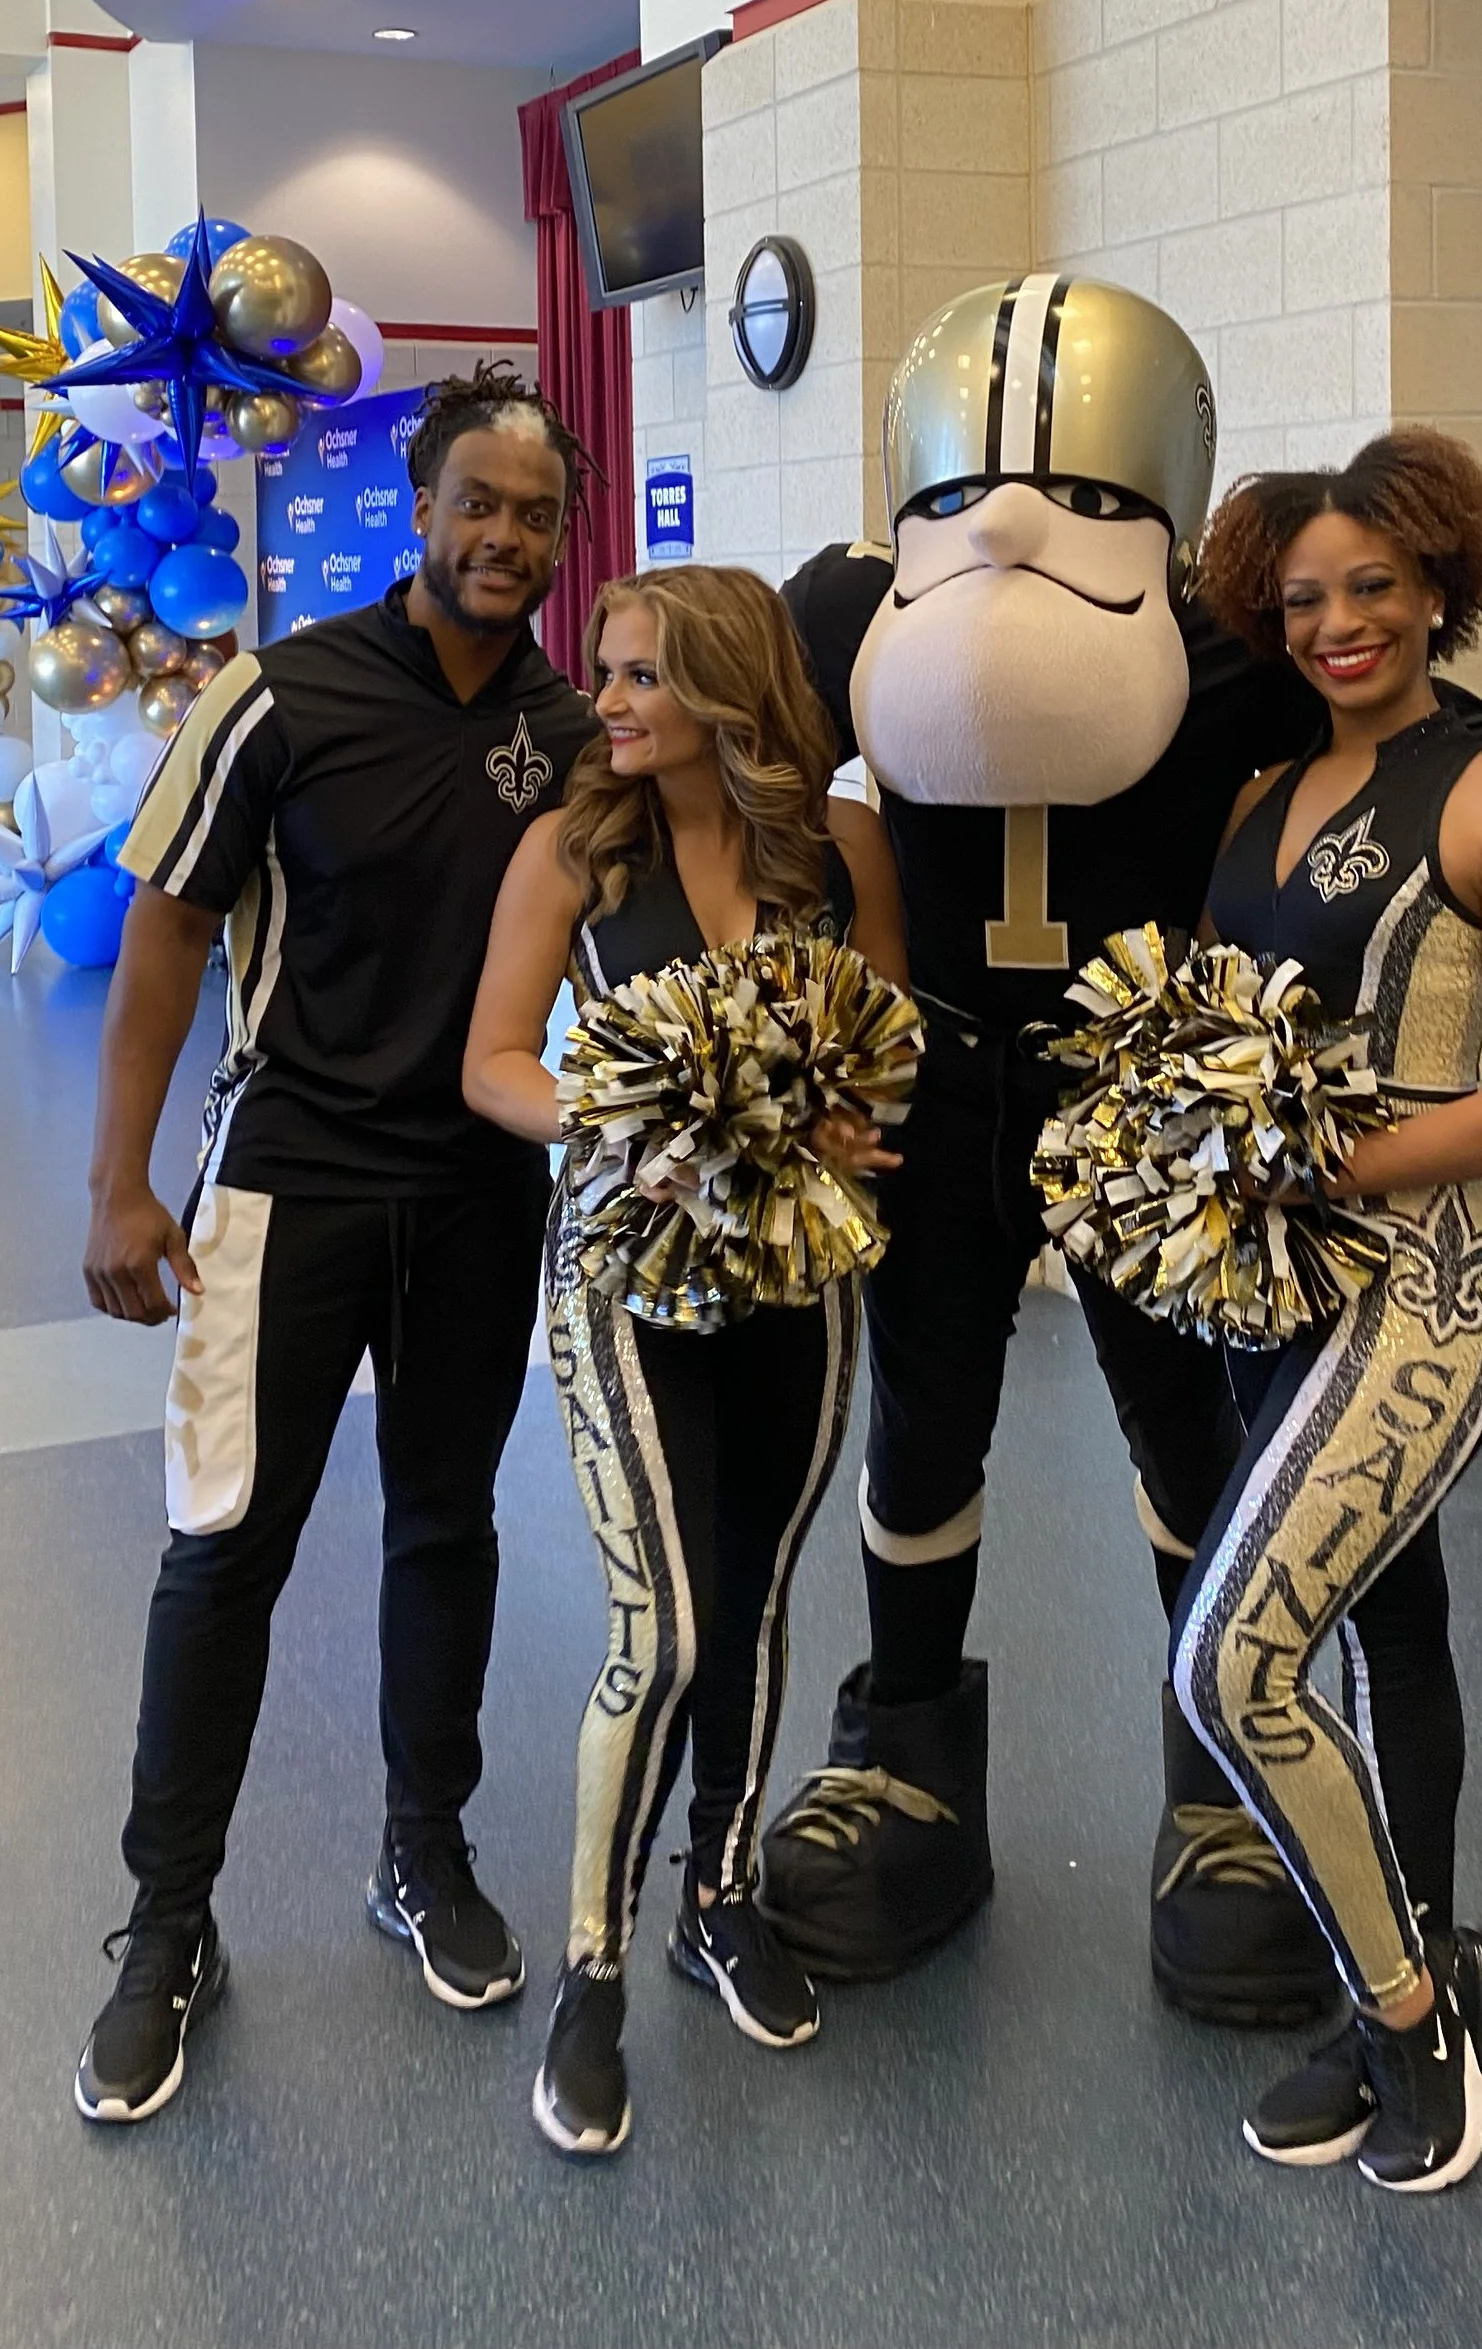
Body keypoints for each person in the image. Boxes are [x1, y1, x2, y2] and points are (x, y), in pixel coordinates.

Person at [758, 272, 1482, 2020]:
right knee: (918, 1433)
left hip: (1153, 1093)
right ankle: (903, 1738)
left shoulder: (1230, 653)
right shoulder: (854, 611)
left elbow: (1476, 756)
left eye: (1078, 494)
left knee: (1188, 1428)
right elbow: (704, 735)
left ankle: (1220, 1784)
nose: (1014, 527)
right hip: (945, 1086)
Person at [70, 366, 596, 2126]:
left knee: (447, 1521)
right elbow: (163, 934)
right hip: (285, 1181)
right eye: (478, 502)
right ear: (424, 508)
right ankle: (166, 1925)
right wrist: (117, 1183)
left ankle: (421, 1848)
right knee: (226, 1545)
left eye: (534, 512)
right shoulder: (275, 693)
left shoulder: (569, 731)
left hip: (476, 1198)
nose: (505, 535)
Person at [1172, 428, 1482, 2193]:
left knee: (1230, 1661)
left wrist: (1330, 1170)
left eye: (1373, 586)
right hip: (1262, 1288)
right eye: (1304, 599)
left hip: (1421, 1282)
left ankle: (1409, 2008)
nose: (1341, 623)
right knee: (1387, 1622)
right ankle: (1422, 1975)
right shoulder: (1260, 799)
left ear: (1440, 583)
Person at [463, 565, 910, 2161]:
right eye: (607, 670)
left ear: (730, 688)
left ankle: (719, 1894)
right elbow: (495, 1061)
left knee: (758, 1593)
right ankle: (590, 1974)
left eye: (644, 673)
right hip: (624, 1271)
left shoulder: (837, 850)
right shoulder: (574, 851)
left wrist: (858, 1121)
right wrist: (631, 1119)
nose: (614, 701)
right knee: (657, 1629)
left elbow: (887, 1042)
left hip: (801, 1273)